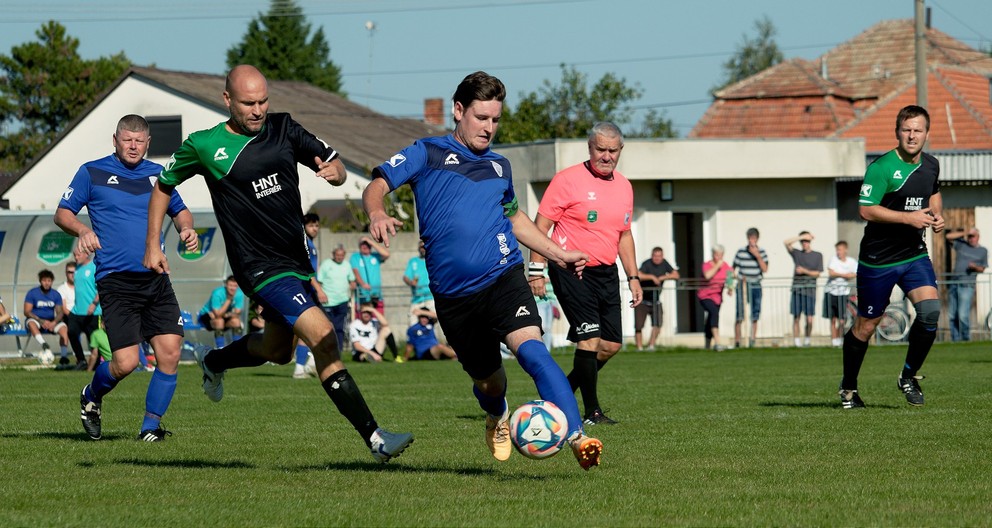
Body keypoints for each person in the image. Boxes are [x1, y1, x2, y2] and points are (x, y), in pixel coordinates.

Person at [145, 64, 412, 462]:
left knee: (278, 350)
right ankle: (375, 438)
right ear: (227, 101)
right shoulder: (204, 145)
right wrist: (154, 243)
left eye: (263, 101)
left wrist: (334, 174)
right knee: (323, 335)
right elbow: (163, 186)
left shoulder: (285, 127)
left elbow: (336, 166)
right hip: (258, 267)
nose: (258, 110)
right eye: (249, 103)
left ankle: (213, 360)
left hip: (296, 262)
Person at [363, 71, 602, 470]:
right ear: (459, 111)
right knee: (491, 383)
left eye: (495, 120)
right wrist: (376, 211)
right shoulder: (427, 152)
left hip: (502, 276)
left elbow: (514, 219)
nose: (489, 128)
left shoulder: (499, 166)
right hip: (455, 297)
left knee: (533, 351)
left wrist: (558, 254)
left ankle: (578, 437)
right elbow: (378, 182)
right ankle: (497, 414)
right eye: (481, 118)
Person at [55, 113, 198, 442]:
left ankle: (150, 427)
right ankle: (92, 395)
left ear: (148, 144)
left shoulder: (159, 176)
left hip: (156, 276)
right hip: (116, 281)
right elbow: (62, 213)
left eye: (139, 141)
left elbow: (180, 210)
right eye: (127, 140)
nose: (133, 146)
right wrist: (82, 229)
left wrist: (186, 228)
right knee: (125, 362)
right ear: (115, 141)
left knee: (171, 352)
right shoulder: (92, 172)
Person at [529, 121, 643, 427]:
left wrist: (633, 277)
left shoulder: (624, 187)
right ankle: (591, 413)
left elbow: (624, 235)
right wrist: (536, 270)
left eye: (612, 151)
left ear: (621, 151)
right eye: (600, 150)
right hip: (570, 269)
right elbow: (541, 228)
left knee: (610, 345)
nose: (606, 156)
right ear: (589, 148)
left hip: (606, 273)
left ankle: (558, 395)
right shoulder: (567, 180)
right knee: (590, 339)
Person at [839, 105, 945, 409]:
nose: (912, 136)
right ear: (897, 132)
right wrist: (907, 218)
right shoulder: (881, 167)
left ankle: (908, 376)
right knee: (867, 326)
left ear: (927, 133)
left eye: (918, 130)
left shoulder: (931, 165)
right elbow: (865, 209)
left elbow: (933, 193)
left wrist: (937, 217)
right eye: (906, 130)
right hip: (878, 260)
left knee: (930, 312)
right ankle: (848, 388)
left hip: (914, 255)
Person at [291, 212, 324, 377]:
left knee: (313, 328)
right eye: (311, 225)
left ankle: (308, 362)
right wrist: (318, 289)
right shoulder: (305, 244)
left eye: (317, 225)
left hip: (308, 289)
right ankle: (300, 367)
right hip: (305, 290)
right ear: (304, 226)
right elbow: (306, 270)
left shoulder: (311, 244)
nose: (315, 229)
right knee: (309, 328)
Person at [945, 227, 987, 342]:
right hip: (954, 283)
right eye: (969, 236)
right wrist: (965, 232)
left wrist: (975, 267)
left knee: (963, 315)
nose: (971, 238)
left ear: (978, 237)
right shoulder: (962, 244)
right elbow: (948, 237)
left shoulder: (983, 250)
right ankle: (955, 339)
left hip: (967, 285)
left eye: (973, 236)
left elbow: (982, 269)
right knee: (952, 315)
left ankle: (965, 339)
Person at [635, 247, 679, 351]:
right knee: (638, 325)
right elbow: (638, 275)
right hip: (643, 300)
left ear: (662, 256)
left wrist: (663, 277)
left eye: (659, 256)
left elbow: (676, 275)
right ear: (652, 256)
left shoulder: (665, 264)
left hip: (656, 300)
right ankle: (639, 348)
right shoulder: (646, 264)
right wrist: (652, 277)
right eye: (655, 256)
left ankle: (651, 345)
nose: (657, 258)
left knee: (658, 324)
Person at [784, 231, 823, 347]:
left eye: (807, 241)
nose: (805, 243)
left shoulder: (817, 255)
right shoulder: (797, 253)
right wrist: (801, 236)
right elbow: (786, 243)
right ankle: (797, 342)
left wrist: (804, 271)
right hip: (797, 290)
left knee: (809, 319)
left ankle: (807, 340)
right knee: (796, 317)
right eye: (803, 241)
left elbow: (817, 273)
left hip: (810, 291)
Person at [23, 269, 70, 364]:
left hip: (51, 321)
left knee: (64, 328)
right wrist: (41, 321)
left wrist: (54, 323)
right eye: (44, 280)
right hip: (36, 320)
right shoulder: (32, 293)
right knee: (31, 322)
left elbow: (60, 312)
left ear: (52, 281)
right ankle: (44, 344)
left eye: (49, 281)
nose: (47, 283)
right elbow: (27, 312)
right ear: (40, 281)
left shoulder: (55, 294)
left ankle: (64, 357)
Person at [732, 227, 769, 348]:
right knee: (740, 314)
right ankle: (738, 341)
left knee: (755, 313)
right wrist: (730, 284)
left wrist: (757, 256)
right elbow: (732, 270)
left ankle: (752, 339)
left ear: (757, 239)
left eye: (753, 238)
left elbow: (765, 269)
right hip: (742, 285)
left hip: (755, 285)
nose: (751, 241)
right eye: (749, 238)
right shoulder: (741, 252)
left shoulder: (762, 252)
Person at [65, 252, 101, 370]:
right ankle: (81, 361)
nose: (76, 257)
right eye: (74, 255)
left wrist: (94, 304)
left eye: (78, 255)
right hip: (77, 311)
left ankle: (95, 364)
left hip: (93, 312)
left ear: (86, 254)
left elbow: (101, 288)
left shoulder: (94, 267)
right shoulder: (77, 269)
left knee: (94, 340)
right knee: (71, 332)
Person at [317, 246, 356, 353]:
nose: (339, 257)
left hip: (342, 301)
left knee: (339, 328)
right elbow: (319, 282)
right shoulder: (326, 264)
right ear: (333, 255)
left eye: (342, 255)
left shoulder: (347, 265)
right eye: (337, 255)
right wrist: (320, 294)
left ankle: (338, 351)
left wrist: (353, 284)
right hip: (328, 302)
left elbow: (352, 279)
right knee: (327, 327)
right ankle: (325, 349)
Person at [698, 245, 733, 351]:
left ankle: (707, 345)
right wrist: (717, 266)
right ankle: (717, 342)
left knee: (710, 319)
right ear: (713, 254)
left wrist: (730, 288)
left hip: (717, 297)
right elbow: (708, 276)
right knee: (714, 313)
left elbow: (730, 276)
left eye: (720, 255)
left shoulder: (725, 265)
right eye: (716, 254)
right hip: (705, 295)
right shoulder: (706, 265)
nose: (718, 257)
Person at [824, 241, 858, 347]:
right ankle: (834, 341)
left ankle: (840, 338)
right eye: (837, 250)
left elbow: (855, 273)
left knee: (842, 319)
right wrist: (845, 275)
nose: (838, 252)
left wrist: (848, 276)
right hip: (831, 292)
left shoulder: (851, 262)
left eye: (840, 249)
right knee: (833, 318)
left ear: (845, 250)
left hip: (843, 293)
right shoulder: (833, 260)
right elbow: (831, 273)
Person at [198, 276, 245, 349]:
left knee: (236, 321)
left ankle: (237, 349)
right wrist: (229, 299)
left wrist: (226, 314)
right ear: (226, 285)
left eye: (235, 286)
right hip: (206, 316)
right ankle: (220, 349)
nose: (232, 288)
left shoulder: (239, 294)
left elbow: (237, 313)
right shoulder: (217, 293)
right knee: (219, 321)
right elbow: (218, 314)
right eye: (230, 285)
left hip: (223, 317)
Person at [351, 236, 389, 315]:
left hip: (376, 295)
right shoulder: (355, 257)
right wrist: (363, 284)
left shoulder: (375, 256)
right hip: (362, 296)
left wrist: (371, 242)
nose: (365, 246)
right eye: (362, 244)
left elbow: (387, 254)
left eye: (367, 244)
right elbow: (355, 272)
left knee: (378, 320)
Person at [403, 240, 433, 324]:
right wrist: (410, 282)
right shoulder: (413, 261)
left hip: (430, 297)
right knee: (412, 322)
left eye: (424, 247)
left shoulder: (432, 260)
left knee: (434, 321)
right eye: (421, 247)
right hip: (416, 298)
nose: (423, 249)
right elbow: (405, 277)